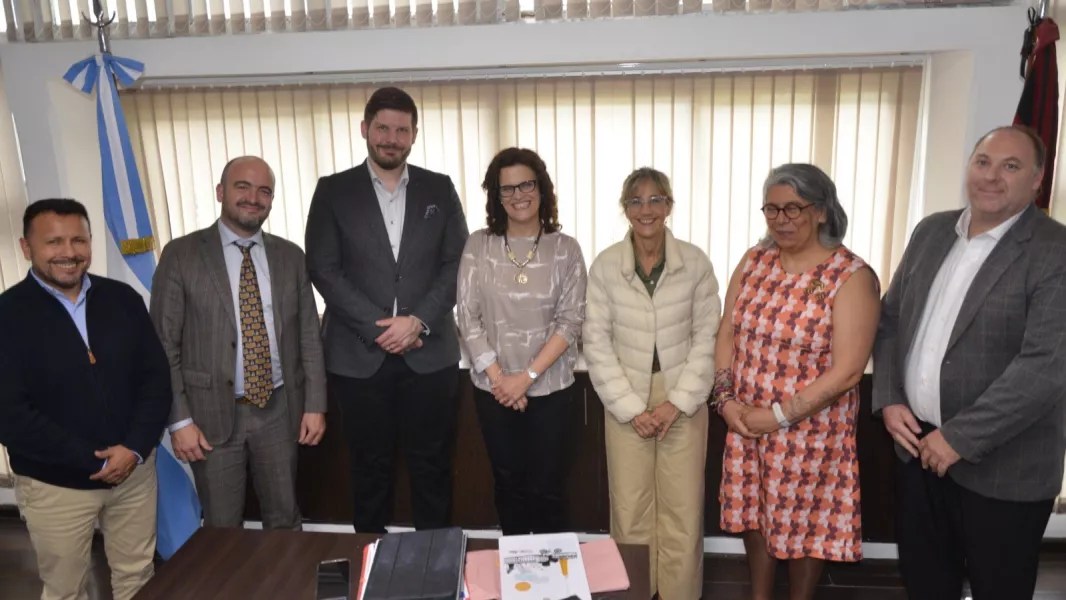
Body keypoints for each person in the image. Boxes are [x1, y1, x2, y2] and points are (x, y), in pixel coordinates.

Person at [873, 125, 1066, 599]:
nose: (991, 176)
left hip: (1005, 465)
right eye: (983, 162)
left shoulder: (1054, 250)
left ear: (1037, 180)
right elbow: (891, 320)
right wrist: (890, 398)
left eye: (1010, 166)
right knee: (926, 583)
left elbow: (1045, 366)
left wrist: (958, 438)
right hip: (916, 449)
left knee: (999, 588)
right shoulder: (931, 231)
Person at [305, 86, 469, 532]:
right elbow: (323, 268)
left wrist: (417, 321)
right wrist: (382, 328)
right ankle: (371, 563)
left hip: (429, 355)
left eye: (401, 130)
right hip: (358, 359)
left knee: (433, 470)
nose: (391, 139)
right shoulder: (333, 191)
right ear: (365, 129)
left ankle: (434, 562)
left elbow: (458, 263)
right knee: (369, 472)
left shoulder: (440, 188)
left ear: (414, 134)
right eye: (382, 128)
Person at [714, 163, 880, 600]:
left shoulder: (850, 275)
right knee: (753, 511)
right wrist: (725, 400)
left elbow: (848, 370)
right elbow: (727, 331)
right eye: (771, 209)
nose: (781, 219)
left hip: (810, 431)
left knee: (806, 523)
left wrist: (778, 416)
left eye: (793, 208)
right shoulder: (754, 260)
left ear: (821, 211)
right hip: (746, 420)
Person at [0, 198, 171, 600]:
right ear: (26, 247)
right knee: (66, 590)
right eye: (54, 242)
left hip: (133, 471)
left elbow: (156, 381)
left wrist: (133, 449)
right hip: (55, 484)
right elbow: (10, 415)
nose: (69, 252)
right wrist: (94, 460)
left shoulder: (123, 299)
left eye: (79, 240)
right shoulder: (7, 315)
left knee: (138, 577)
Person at [150, 156, 327, 530]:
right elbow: (164, 345)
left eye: (264, 191)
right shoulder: (181, 255)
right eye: (242, 187)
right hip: (209, 415)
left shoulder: (290, 256)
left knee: (285, 517)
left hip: (279, 409)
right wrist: (179, 420)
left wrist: (315, 405)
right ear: (220, 192)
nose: (253, 198)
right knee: (222, 527)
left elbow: (309, 335)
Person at [583, 167, 719, 600]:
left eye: (656, 199)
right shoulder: (606, 266)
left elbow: (708, 339)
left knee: (683, 508)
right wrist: (629, 408)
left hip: (682, 400)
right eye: (636, 201)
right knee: (630, 508)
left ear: (669, 206)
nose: (646, 209)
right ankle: (635, 592)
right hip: (626, 399)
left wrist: (677, 403)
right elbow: (596, 342)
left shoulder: (695, 263)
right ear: (625, 209)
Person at [456, 147, 587, 535]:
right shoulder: (478, 245)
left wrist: (525, 378)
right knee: (508, 485)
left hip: (551, 390)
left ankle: (555, 569)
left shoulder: (566, 249)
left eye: (526, 184)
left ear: (542, 188)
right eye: (507, 189)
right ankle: (517, 567)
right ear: (496, 197)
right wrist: (502, 381)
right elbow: (467, 316)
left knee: (549, 489)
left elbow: (570, 322)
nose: (518, 195)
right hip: (494, 391)